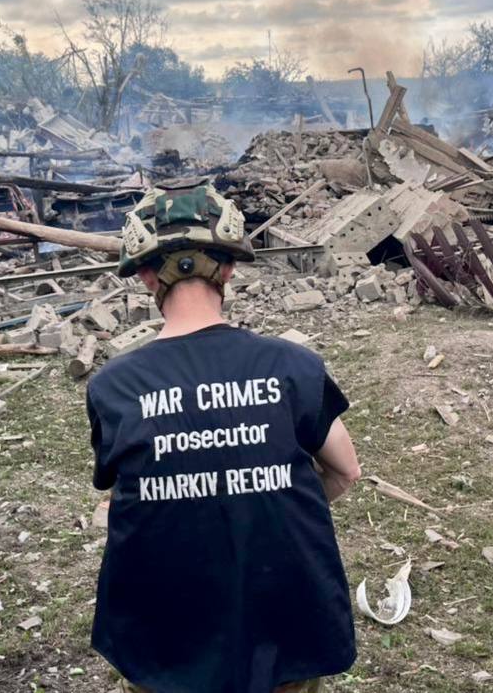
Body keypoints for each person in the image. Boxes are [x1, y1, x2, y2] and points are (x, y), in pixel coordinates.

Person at [86, 181, 361, 693]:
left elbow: (123, 494)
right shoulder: (294, 367)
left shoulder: (113, 388)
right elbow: (346, 471)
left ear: (146, 277)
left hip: (163, 641)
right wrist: (267, 497)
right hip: (283, 630)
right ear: (229, 269)